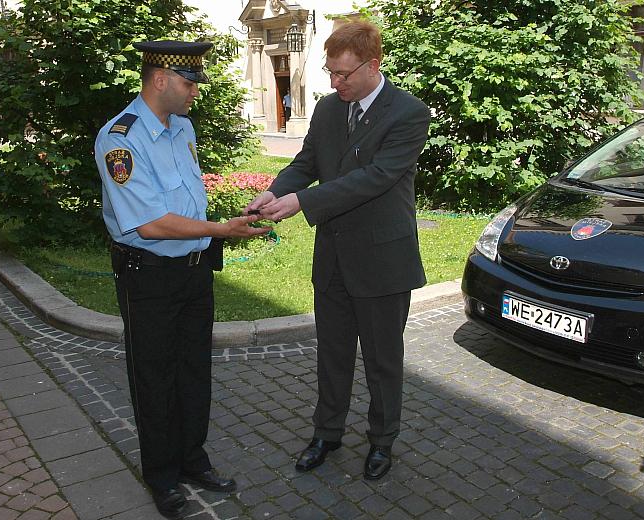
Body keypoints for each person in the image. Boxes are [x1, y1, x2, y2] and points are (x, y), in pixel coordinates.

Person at [246, 20, 430, 480]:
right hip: (333, 258)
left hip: (383, 261)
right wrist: (274, 192)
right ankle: (326, 433)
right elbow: (307, 162)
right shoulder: (329, 109)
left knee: (383, 360)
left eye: (344, 75)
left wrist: (301, 201)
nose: (335, 83)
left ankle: (382, 441)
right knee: (332, 354)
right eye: (330, 73)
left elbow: (374, 179)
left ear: (373, 65)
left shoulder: (408, 113)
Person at [94, 40, 271, 519]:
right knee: (154, 376)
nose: (195, 91)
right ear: (159, 79)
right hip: (148, 276)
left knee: (194, 370)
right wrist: (222, 230)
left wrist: (232, 218)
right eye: (188, 82)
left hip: (195, 273)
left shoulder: (182, 128)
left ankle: (193, 460)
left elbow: (188, 198)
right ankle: (162, 476)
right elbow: (150, 223)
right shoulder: (120, 139)